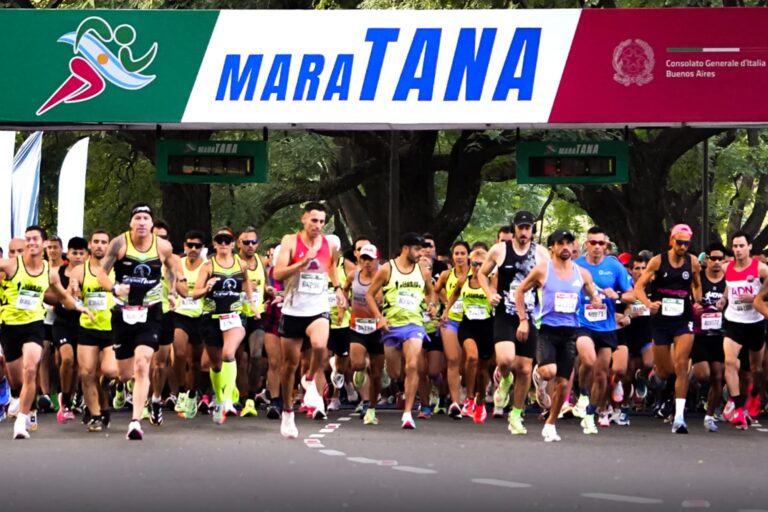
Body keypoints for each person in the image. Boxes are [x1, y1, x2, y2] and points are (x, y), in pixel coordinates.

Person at [94, 203, 179, 440]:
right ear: (131, 223)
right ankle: (114, 383)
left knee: (143, 365)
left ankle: (135, 422)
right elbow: (101, 273)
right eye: (138, 218)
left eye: (146, 218)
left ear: (152, 224)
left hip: (151, 311)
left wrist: (172, 291)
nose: (142, 222)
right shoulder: (119, 244)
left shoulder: (163, 246)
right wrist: (114, 287)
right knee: (122, 373)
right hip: (123, 311)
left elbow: (172, 268)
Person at [0, 225, 92, 439]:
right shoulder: (11, 266)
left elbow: (62, 296)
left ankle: (21, 422)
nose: (31, 242)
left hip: (34, 326)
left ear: (43, 244)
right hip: (9, 327)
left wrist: (80, 307)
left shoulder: (49, 272)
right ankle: (22, 401)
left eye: (35, 239)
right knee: (17, 381)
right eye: (28, 239)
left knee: (31, 369)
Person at [515, 230, 602, 442]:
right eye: (560, 243)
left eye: (568, 243)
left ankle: (551, 423)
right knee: (548, 372)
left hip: (570, 331)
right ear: (552, 247)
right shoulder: (543, 270)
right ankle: (539, 374)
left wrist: (597, 300)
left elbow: (592, 293)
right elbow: (520, 291)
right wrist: (523, 320)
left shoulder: (581, 273)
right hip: (547, 329)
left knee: (563, 383)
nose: (565, 247)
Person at [273, 202, 346, 438]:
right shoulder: (290, 241)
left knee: (319, 346)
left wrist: (337, 288)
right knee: (288, 365)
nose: (317, 225)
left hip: (318, 307)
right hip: (293, 309)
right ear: (303, 219)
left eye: (322, 221)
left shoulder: (331, 243)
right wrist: (302, 263)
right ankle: (287, 412)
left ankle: (309, 379)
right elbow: (277, 273)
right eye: (313, 220)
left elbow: (332, 264)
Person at [477, 211, 548, 435]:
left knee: (525, 369)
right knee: (506, 359)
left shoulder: (541, 254)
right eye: (521, 227)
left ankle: (516, 415)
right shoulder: (500, 250)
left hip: (529, 314)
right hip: (504, 313)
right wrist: (489, 292)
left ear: (533, 230)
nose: (524, 232)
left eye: (528, 228)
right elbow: (481, 273)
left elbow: (549, 281)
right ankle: (504, 378)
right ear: (514, 229)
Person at [634, 224, 702, 434]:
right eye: (679, 242)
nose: (683, 246)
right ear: (671, 241)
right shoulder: (657, 261)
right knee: (664, 371)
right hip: (661, 320)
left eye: (686, 243)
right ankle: (655, 379)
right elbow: (638, 287)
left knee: (681, 365)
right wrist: (648, 303)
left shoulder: (692, 262)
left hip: (683, 318)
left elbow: (697, 284)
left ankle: (679, 418)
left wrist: (697, 301)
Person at [365, 232, 436, 429]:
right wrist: (379, 317)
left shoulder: (423, 272)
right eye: (416, 249)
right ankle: (374, 403)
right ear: (405, 248)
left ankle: (407, 413)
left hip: (414, 324)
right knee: (395, 372)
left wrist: (431, 305)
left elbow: (431, 292)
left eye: (421, 249)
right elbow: (370, 295)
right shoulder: (388, 269)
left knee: (413, 365)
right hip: (391, 326)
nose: (420, 253)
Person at [191, 227, 259, 424]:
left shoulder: (241, 264)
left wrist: (251, 303)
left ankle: (228, 398)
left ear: (232, 243)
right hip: (211, 318)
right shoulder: (208, 266)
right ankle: (220, 398)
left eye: (227, 240)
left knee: (229, 353)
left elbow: (246, 282)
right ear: (214, 244)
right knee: (215, 363)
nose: (223, 243)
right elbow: (194, 294)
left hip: (234, 317)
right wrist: (207, 287)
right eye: (219, 240)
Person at [572, 226, 634, 434]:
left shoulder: (614, 267)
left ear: (606, 246)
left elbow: (631, 295)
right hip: (582, 323)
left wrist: (617, 295)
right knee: (587, 361)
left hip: (606, 326)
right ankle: (582, 394)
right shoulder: (576, 265)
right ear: (586, 244)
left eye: (601, 243)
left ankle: (591, 413)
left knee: (601, 374)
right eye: (593, 243)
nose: (597, 247)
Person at [68, 232, 119, 432]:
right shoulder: (80, 271)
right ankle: (96, 414)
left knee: (110, 371)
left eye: (103, 242)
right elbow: (73, 298)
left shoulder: (116, 269)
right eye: (96, 242)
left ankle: (105, 383)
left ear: (109, 246)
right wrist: (75, 293)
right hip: (88, 328)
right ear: (90, 245)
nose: (99, 245)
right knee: (86, 373)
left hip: (112, 327)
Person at [721, 231, 768, 429]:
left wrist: (758, 297)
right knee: (730, 362)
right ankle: (739, 408)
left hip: (755, 323)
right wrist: (724, 298)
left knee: (754, 371)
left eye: (742, 246)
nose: (738, 250)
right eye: (735, 246)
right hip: (733, 321)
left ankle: (755, 394)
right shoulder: (726, 268)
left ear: (749, 247)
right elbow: (728, 286)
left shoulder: (762, 269)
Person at [446, 248, 494, 423]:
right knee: (471, 357)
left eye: (481, 264)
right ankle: (469, 398)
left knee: (482, 369)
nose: (476, 268)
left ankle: (480, 401)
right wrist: (446, 311)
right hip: (468, 325)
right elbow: (455, 294)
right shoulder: (463, 280)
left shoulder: (490, 282)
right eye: (474, 264)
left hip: (487, 327)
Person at [47, 237, 88, 426]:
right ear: (68, 254)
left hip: (84, 323)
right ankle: (64, 399)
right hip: (63, 322)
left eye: (81, 253)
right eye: (75, 253)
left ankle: (75, 397)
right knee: (67, 359)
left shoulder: (92, 273)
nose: (78, 257)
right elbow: (50, 295)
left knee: (80, 365)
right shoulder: (58, 273)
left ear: (86, 255)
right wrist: (68, 293)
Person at [344, 244, 384, 425]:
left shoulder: (383, 278)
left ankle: (371, 406)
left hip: (378, 329)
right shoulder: (354, 275)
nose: (367, 263)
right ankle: (363, 366)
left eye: (370, 259)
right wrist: (343, 302)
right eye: (363, 259)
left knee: (376, 374)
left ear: (377, 260)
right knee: (358, 364)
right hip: (357, 326)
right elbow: (343, 289)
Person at [690, 243, 727, 432]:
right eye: (713, 258)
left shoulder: (729, 282)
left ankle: (710, 415)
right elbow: (689, 300)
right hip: (700, 334)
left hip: (720, 335)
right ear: (707, 260)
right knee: (703, 374)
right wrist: (695, 307)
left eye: (721, 258)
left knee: (718, 377)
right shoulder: (699, 280)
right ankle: (690, 378)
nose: (717, 262)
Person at [172, 230, 206, 419]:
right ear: (184, 246)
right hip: (180, 314)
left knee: (195, 362)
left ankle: (193, 394)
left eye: (197, 246)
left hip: (200, 315)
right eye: (190, 245)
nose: (193, 249)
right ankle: (183, 390)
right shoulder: (177, 263)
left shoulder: (207, 266)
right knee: (178, 353)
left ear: (202, 248)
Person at [434, 241, 470, 418]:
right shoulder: (446, 275)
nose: (460, 257)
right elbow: (434, 290)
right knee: (453, 360)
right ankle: (455, 402)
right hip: (451, 321)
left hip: (471, 322)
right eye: (456, 253)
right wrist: (442, 302)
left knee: (468, 362)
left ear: (468, 255)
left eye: (463, 253)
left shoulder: (476, 274)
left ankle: (468, 394)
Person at [236, 227, 266, 417]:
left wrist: (268, 290)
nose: (250, 246)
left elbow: (266, 283)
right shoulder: (233, 262)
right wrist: (243, 285)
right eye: (246, 242)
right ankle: (242, 395)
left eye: (253, 242)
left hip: (257, 314)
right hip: (237, 314)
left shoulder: (261, 262)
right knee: (241, 359)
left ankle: (251, 397)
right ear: (239, 244)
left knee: (256, 356)